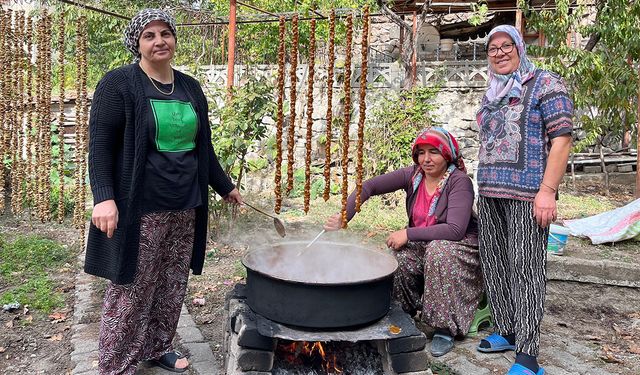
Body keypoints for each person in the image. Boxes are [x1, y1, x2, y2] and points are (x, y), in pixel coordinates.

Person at [85, 9, 242, 374]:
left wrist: (224, 186)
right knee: (131, 287)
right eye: (149, 35)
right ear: (137, 44)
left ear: (174, 39)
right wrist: (104, 196)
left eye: (165, 33)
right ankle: (115, 364)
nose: (159, 41)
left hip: (185, 204)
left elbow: (203, 146)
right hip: (140, 207)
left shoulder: (190, 87)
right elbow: (100, 145)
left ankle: (158, 347)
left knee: (172, 282)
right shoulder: (119, 84)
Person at [324, 127, 483, 357]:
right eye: (421, 152)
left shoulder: (459, 182)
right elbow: (368, 187)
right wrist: (345, 216)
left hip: (459, 246)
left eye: (433, 152)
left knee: (439, 252)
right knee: (399, 257)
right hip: (427, 242)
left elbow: (455, 229)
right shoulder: (414, 175)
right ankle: (404, 312)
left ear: (447, 154)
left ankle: (444, 328)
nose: (426, 159)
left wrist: (408, 234)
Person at [475, 25, 573, 375]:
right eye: (492, 48)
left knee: (527, 268)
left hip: (528, 194)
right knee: (496, 263)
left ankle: (529, 353)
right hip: (489, 193)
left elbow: (561, 139)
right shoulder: (492, 91)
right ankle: (506, 328)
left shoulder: (546, 83)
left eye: (506, 46)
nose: (499, 53)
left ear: (519, 47)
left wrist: (547, 191)